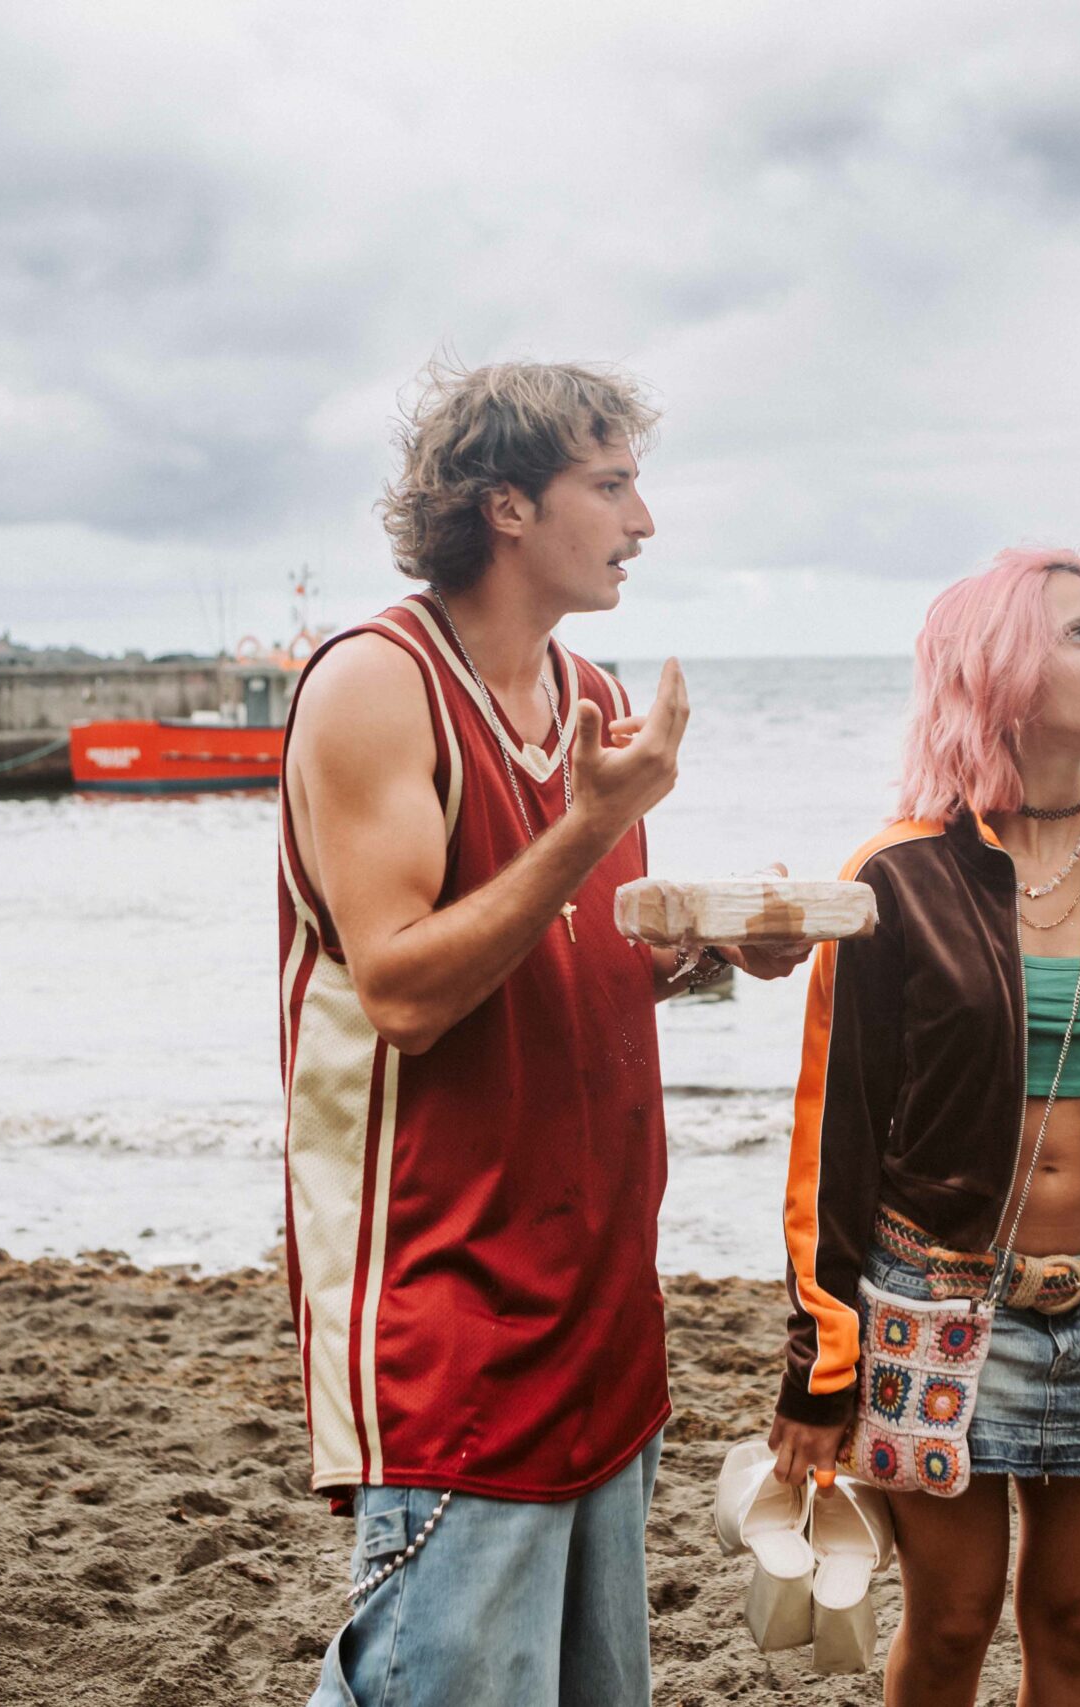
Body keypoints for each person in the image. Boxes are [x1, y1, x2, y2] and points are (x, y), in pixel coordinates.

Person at [278, 358, 807, 1705]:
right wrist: (586, 824)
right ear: (506, 503)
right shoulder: (374, 685)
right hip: (451, 1314)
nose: (645, 521)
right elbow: (402, 991)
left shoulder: (594, 700)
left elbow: (577, 945)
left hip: (604, 1307)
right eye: (613, 484)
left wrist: (709, 947)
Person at [768, 549, 1080, 1707]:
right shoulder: (896, 877)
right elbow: (835, 1135)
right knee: (955, 1618)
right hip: (937, 1303)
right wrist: (818, 1369)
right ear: (1002, 675)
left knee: (1072, 1624)